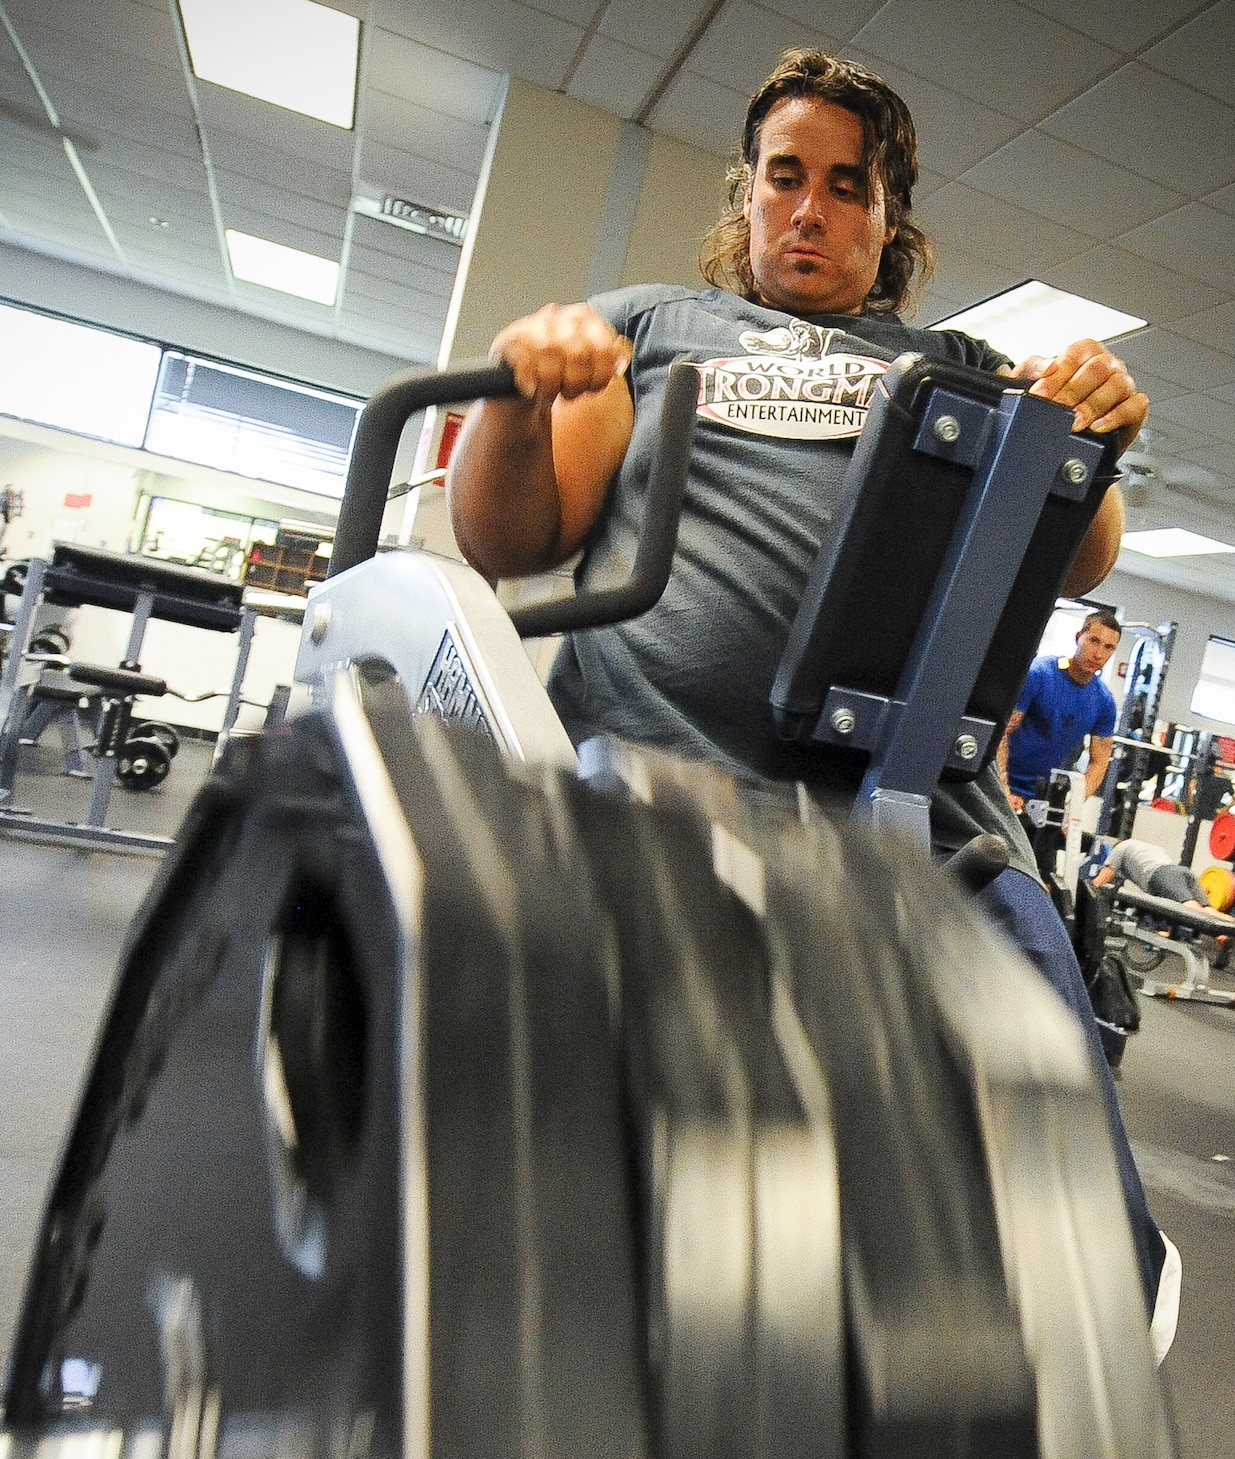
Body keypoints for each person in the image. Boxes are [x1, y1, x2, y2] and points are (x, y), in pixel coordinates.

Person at [448, 45, 1173, 1339]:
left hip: (915, 816)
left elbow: (1074, 552)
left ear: (888, 219)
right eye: (785, 177)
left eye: (847, 186)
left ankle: (1039, 1384)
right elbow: (513, 538)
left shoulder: (956, 358)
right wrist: (518, 395)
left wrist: (1088, 439)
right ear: (744, 193)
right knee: (605, 1181)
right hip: (658, 780)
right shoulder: (653, 326)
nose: (809, 209)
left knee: (1055, 1177)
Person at [999, 612, 1121, 810]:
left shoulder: (1104, 702)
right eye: (1094, 641)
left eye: (1108, 647)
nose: (1098, 654)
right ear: (1078, 638)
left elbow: (1099, 762)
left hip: (1045, 797)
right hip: (1001, 785)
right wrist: (1003, 787)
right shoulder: (1039, 674)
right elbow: (1001, 732)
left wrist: (1072, 804)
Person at [1091, 837, 1212, 912]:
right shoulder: (1144, 848)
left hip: (1162, 875)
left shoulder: (1120, 848)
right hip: (1182, 871)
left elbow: (1102, 879)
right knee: (1208, 911)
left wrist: (1088, 888)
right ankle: (1227, 932)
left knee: (1192, 909)